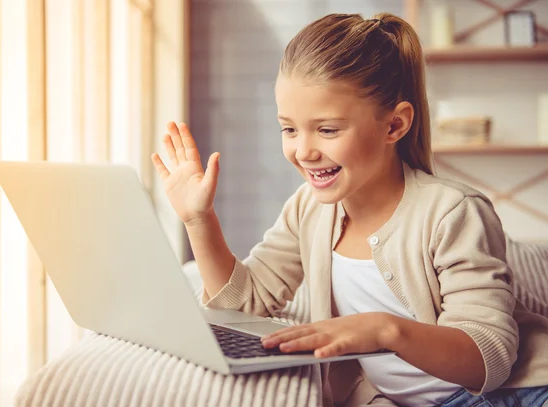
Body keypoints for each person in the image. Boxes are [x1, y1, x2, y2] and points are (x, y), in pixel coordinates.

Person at [151, 12, 548, 407]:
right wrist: (199, 220)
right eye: (289, 128)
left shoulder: (453, 213)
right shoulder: (307, 209)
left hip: (514, 393)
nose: (303, 151)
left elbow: (488, 358)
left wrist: (383, 330)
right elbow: (244, 304)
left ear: (394, 126)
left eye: (327, 129)